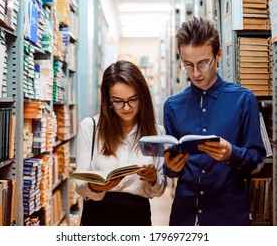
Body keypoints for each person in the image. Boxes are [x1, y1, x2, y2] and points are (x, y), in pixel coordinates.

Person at [163, 16, 266, 226]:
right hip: (184, 217)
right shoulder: (172, 106)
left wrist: (231, 153)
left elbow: (257, 159)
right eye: (188, 65)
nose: (196, 73)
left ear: (218, 55)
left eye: (203, 63)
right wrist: (171, 167)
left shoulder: (244, 99)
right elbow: (169, 167)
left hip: (228, 216)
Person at [74, 60, 167, 226]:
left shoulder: (156, 133)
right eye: (117, 101)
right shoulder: (90, 127)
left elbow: (159, 190)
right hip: (97, 216)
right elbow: (79, 185)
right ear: (108, 101)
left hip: (137, 217)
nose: (126, 108)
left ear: (143, 97)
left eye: (132, 99)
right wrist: (98, 187)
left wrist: (153, 179)